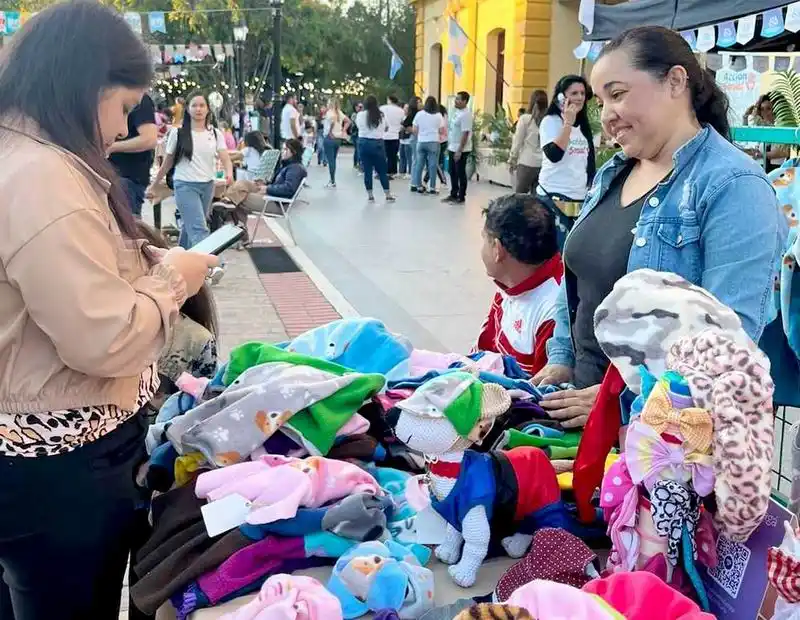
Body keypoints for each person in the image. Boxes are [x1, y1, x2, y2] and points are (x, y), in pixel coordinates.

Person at [0, 3, 218, 617]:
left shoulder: (22, 155)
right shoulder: (43, 176)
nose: (117, 131)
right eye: (123, 108)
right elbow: (103, 338)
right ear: (85, 84)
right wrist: (173, 279)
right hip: (58, 466)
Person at [533, 25, 786, 429]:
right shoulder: (613, 174)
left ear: (675, 81)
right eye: (600, 102)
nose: (607, 115)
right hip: (576, 418)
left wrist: (616, 404)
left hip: (654, 444)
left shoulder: (735, 187)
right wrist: (561, 358)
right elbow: (578, 284)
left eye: (617, 94)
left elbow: (725, 348)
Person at [476, 194, 562, 377]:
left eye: (484, 239)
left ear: (497, 250)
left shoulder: (553, 310)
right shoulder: (512, 281)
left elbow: (539, 396)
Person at [149, 93, 233, 251]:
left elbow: (225, 157)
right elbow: (167, 162)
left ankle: (181, 261)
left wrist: (229, 173)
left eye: (202, 105)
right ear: (187, 109)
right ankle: (213, 265)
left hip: (207, 185)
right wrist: (154, 184)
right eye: (194, 105)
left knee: (189, 228)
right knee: (199, 229)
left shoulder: (215, 134)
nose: (198, 109)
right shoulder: (177, 133)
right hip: (185, 185)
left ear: (208, 109)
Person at [537, 75, 595, 248]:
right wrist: (567, 123)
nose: (579, 97)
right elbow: (554, 155)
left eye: (582, 93)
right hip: (553, 195)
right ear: (561, 96)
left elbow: (588, 161)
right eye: (574, 93)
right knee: (555, 251)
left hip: (578, 198)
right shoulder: (551, 122)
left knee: (572, 251)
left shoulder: (583, 125)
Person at [215, 139, 307, 244]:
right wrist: (266, 184)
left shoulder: (295, 169)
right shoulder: (289, 166)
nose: (282, 152)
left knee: (240, 199)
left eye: (285, 149)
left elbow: (288, 189)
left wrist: (267, 188)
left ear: (293, 152)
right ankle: (227, 200)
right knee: (243, 184)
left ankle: (229, 208)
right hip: (271, 195)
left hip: (277, 203)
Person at [108, 92, 158, 218]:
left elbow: (149, 139)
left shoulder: (139, 99)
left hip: (127, 178)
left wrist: (111, 147)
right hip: (114, 177)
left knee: (125, 230)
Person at [355, 95, 396, 203]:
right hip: (378, 143)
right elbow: (387, 128)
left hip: (363, 143)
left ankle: (370, 196)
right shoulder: (381, 115)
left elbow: (358, 126)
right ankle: (387, 195)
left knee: (367, 171)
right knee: (382, 170)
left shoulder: (360, 115)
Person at [509, 89, 548, 194]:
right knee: (537, 200)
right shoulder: (548, 120)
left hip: (526, 163)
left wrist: (512, 159)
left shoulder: (525, 119)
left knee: (520, 198)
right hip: (542, 165)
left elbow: (518, 141)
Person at [443, 91, 473, 204]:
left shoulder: (466, 115)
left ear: (465, 101)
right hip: (452, 146)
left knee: (460, 172)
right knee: (452, 171)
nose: (456, 101)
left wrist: (459, 150)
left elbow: (465, 133)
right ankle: (453, 193)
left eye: (458, 99)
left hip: (461, 149)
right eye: (456, 99)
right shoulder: (457, 112)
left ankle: (461, 196)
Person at [411, 95, 444, 194]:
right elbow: (441, 130)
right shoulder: (438, 115)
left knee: (419, 165)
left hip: (421, 142)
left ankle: (418, 186)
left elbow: (414, 129)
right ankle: (432, 188)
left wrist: (420, 136)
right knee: (432, 165)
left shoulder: (419, 114)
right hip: (434, 142)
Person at [323, 96, 350, 188]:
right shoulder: (339, 113)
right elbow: (348, 121)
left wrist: (330, 132)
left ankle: (332, 180)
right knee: (333, 159)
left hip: (330, 138)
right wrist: (343, 130)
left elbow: (332, 123)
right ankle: (332, 180)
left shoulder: (329, 113)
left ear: (330, 104)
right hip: (338, 138)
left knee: (330, 160)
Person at [381, 94, 405, 178]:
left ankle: (382, 170)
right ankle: (392, 171)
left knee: (383, 154)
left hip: (384, 135)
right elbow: (402, 122)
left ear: (389, 100)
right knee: (393, 155)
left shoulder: (382, 108)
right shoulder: (401, 111)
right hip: (395, 135)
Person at [401, 97, 420, 179]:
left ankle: (415, 177)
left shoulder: (420, 113)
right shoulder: (413, 114)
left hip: (417, 138)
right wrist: (414, 131)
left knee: (416, 159)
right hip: (415, 138)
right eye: (419, 102)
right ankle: (414, 177)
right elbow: (405, 125)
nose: (421, 104)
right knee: (415, 159)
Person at [399, 102, 412, 178]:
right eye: (405, 108)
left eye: (407, 108)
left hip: (408, 140)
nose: (406, 110)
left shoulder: (410, 118)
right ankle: (401, 171)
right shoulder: (402, 117)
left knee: (409, 157)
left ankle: (410, 172)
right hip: (402, 139)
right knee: (402, 156)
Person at [350, 101, 363, 170]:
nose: (361, 108)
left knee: (358, 149)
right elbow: (357, 123)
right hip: (356, 134)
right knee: (358, 149)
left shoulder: (362, 114)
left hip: (360, 133)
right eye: (359, 107)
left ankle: (357, 162)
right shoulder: (354, 115)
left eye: (362, 107)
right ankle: (357, 163)